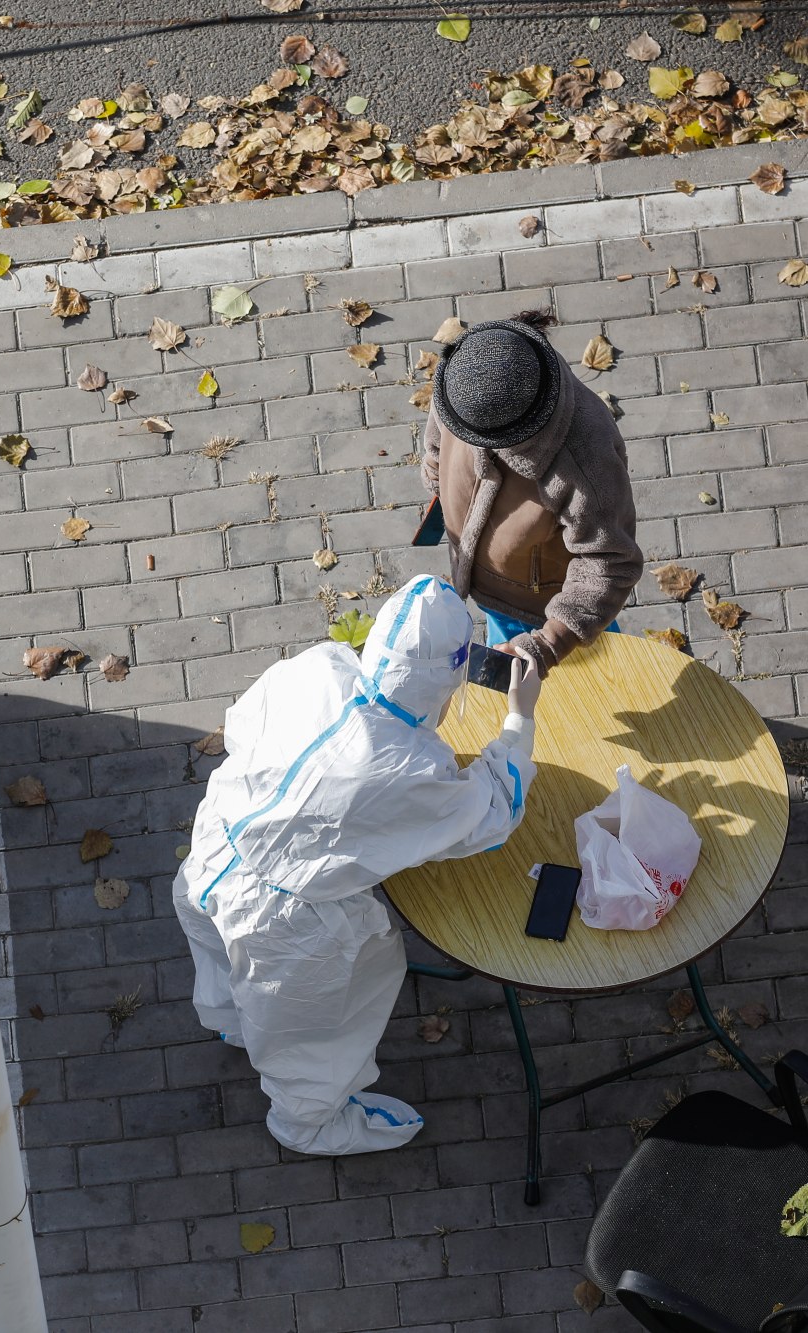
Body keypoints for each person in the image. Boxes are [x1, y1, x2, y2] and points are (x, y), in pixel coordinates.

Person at [171, 576, 542, 1155]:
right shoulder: (404, 770)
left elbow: (243, 723)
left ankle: (231, 1022)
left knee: (220, 956)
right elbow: (491, 813)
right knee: (314, 1029)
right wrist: (519, 721)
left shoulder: (320, 666)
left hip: (215, 848)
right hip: (287, 921)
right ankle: (307, 1124)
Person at [424, 313, 642, 673]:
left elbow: (608, 563)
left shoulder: (585, 455)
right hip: (492, 590)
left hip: (551, 607)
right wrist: (439, 483)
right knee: (505, 640)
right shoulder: (465, 372)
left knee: (600, 678)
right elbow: (438, 437)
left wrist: (550, 644)